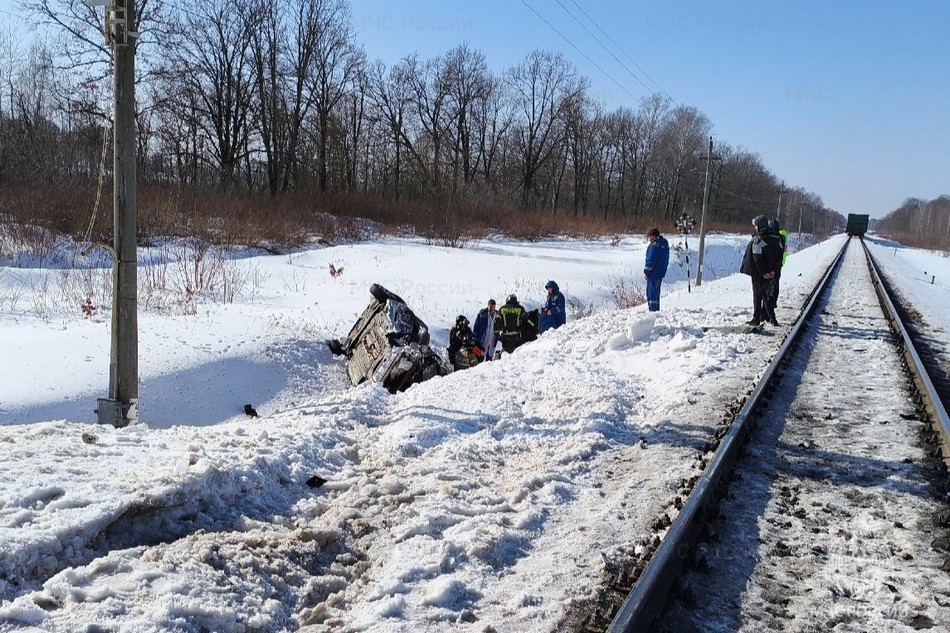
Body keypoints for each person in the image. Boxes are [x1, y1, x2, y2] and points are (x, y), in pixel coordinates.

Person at [740, 215, 783, 326]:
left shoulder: (759, 239)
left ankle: (756, 319)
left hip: (759, 273)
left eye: (756, 226)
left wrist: (764, 273)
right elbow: (779, 257)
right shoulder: (776, 238)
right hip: (771, 272)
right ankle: (772, 319)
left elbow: (757, 259)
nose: (755, 228)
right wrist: (773, 271)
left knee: (758, 295)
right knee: (767, 295)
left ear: (759, 226)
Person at [642, 228, 670, 312]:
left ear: (653, 237)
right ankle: (657, 311)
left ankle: (652, 312)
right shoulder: (664, 244)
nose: (649, 240)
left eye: (649, 237)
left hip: (653, 273)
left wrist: (647, 272)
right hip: (661, 272)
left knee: (651, 294)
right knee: (657, 293)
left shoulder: (654, 246)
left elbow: (650, 260)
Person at [768, 219, 789, 313]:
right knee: (776, 282)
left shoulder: (772, 238)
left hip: (771, 263)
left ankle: (770, 301)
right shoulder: (782, 237)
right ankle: (774, 301)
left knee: (771, 283)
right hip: (779, 263)